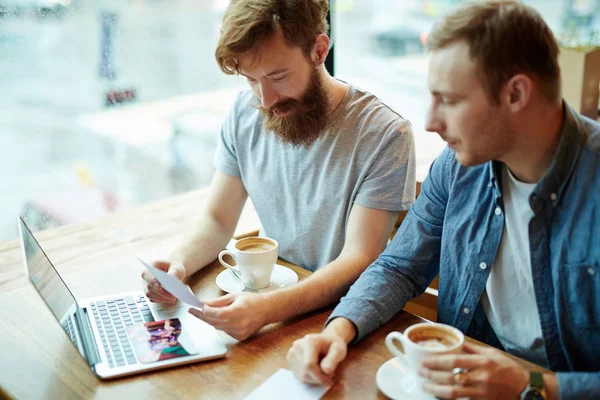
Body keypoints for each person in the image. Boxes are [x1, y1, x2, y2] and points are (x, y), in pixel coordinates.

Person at [287, 1, 600, 399]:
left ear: (516, 94)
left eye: (448, 100)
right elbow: (399, 267)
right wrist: (338, 330)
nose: (431, 122)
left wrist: (536, 385)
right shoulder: (457, 165)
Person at [141, 0, 416, 341]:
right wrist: (179, 265)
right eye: (250, 79)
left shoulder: (384, 134)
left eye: (278, 76)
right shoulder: (245, 113)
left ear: (318, 50)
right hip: (273, 306)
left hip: (343, 319)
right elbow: (218, 220)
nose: (265, 99)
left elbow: (360, 260)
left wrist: (268, 309)